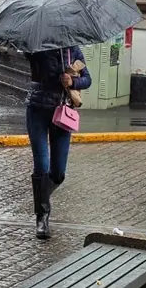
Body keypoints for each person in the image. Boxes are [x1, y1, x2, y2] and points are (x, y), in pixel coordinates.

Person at [25, 47, 91, 239]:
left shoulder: (74, 51)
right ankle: (42, 217)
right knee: (41, 165)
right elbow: (33, 63)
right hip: (37, 110)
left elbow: (88, 79)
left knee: (58, 173)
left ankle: (42, 195)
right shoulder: (36, 49)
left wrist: (73, 81)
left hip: (63, 113)